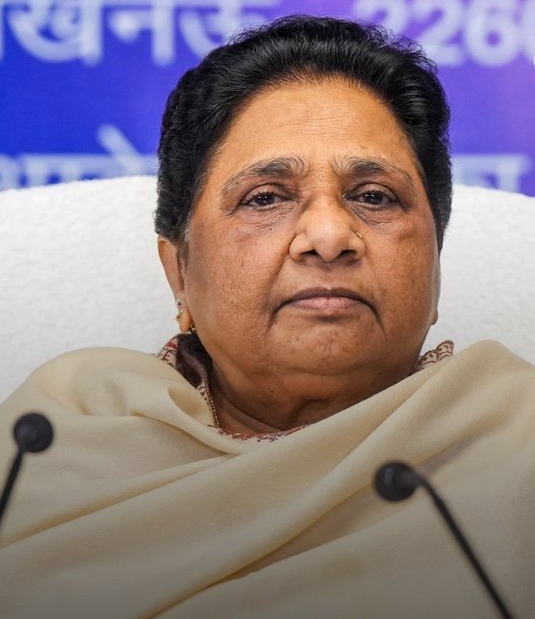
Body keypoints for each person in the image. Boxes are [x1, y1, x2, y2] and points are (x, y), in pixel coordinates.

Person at [0, 14, 534, 619]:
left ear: (434, 266)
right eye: (266, 198)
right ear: (179, 273)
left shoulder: (518, 445)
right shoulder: (56, 444)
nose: (329, 236)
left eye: (374, 196)